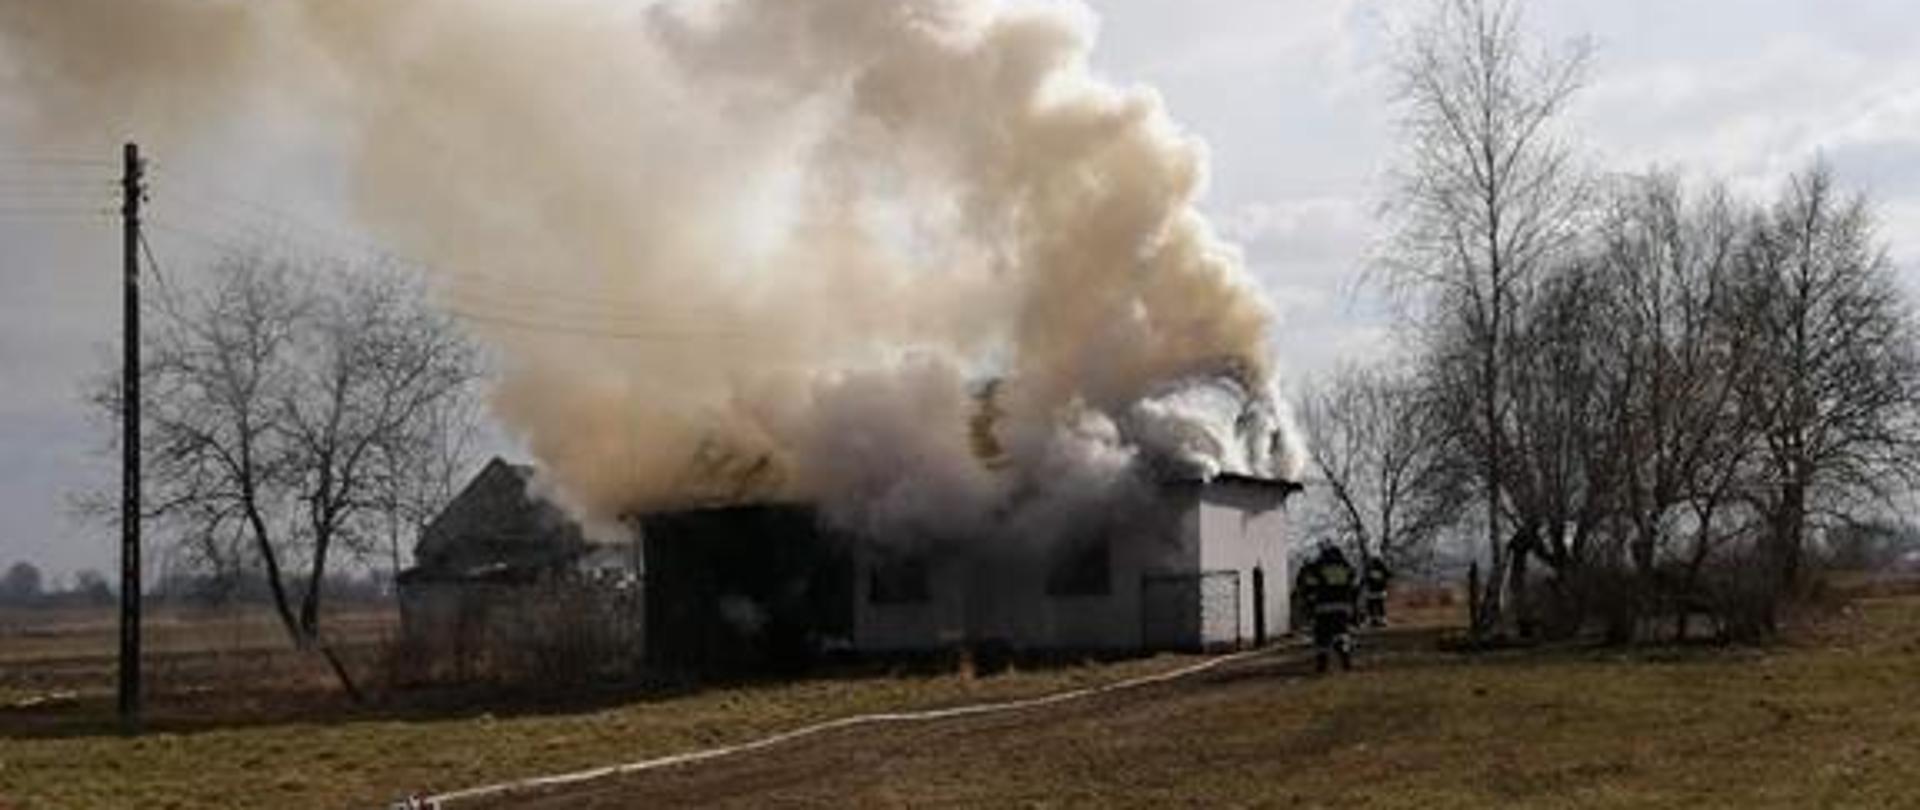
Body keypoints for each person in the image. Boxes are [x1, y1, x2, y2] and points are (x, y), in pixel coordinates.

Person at [1299, 545, 1359, 672]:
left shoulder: (1318, 567)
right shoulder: (1346, 567)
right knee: (1341, 633)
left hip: (1323, 607)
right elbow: (1354, 586)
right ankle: (1345, 656)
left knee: (1322, 635)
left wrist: (1309, 600)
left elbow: (1309, 585)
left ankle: (1322, 663)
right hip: (1343, 607)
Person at [1363, 554, 1393, 628]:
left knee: (1371, 605)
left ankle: (1373, 619)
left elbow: (1365, 578)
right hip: (1379, 590)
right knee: (1379, 605)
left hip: (1372, 590)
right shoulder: (1382, 568)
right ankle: (1381, 620)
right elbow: (1389, 575)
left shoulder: (1369, 568)